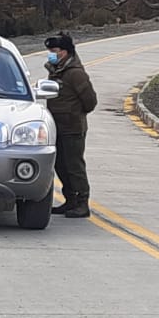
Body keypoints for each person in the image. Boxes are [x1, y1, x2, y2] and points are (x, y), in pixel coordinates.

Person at [43, 33, 98, 219]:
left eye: (54, 51)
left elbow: (90, 101)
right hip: (56, 126)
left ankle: (82, 202)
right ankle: (70, 200)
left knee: (74, 166)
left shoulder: (75, 73)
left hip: (72, 128)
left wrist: (73, 113)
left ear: (65, 52)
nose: (50, 54)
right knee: (60, 165)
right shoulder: (54, 70)